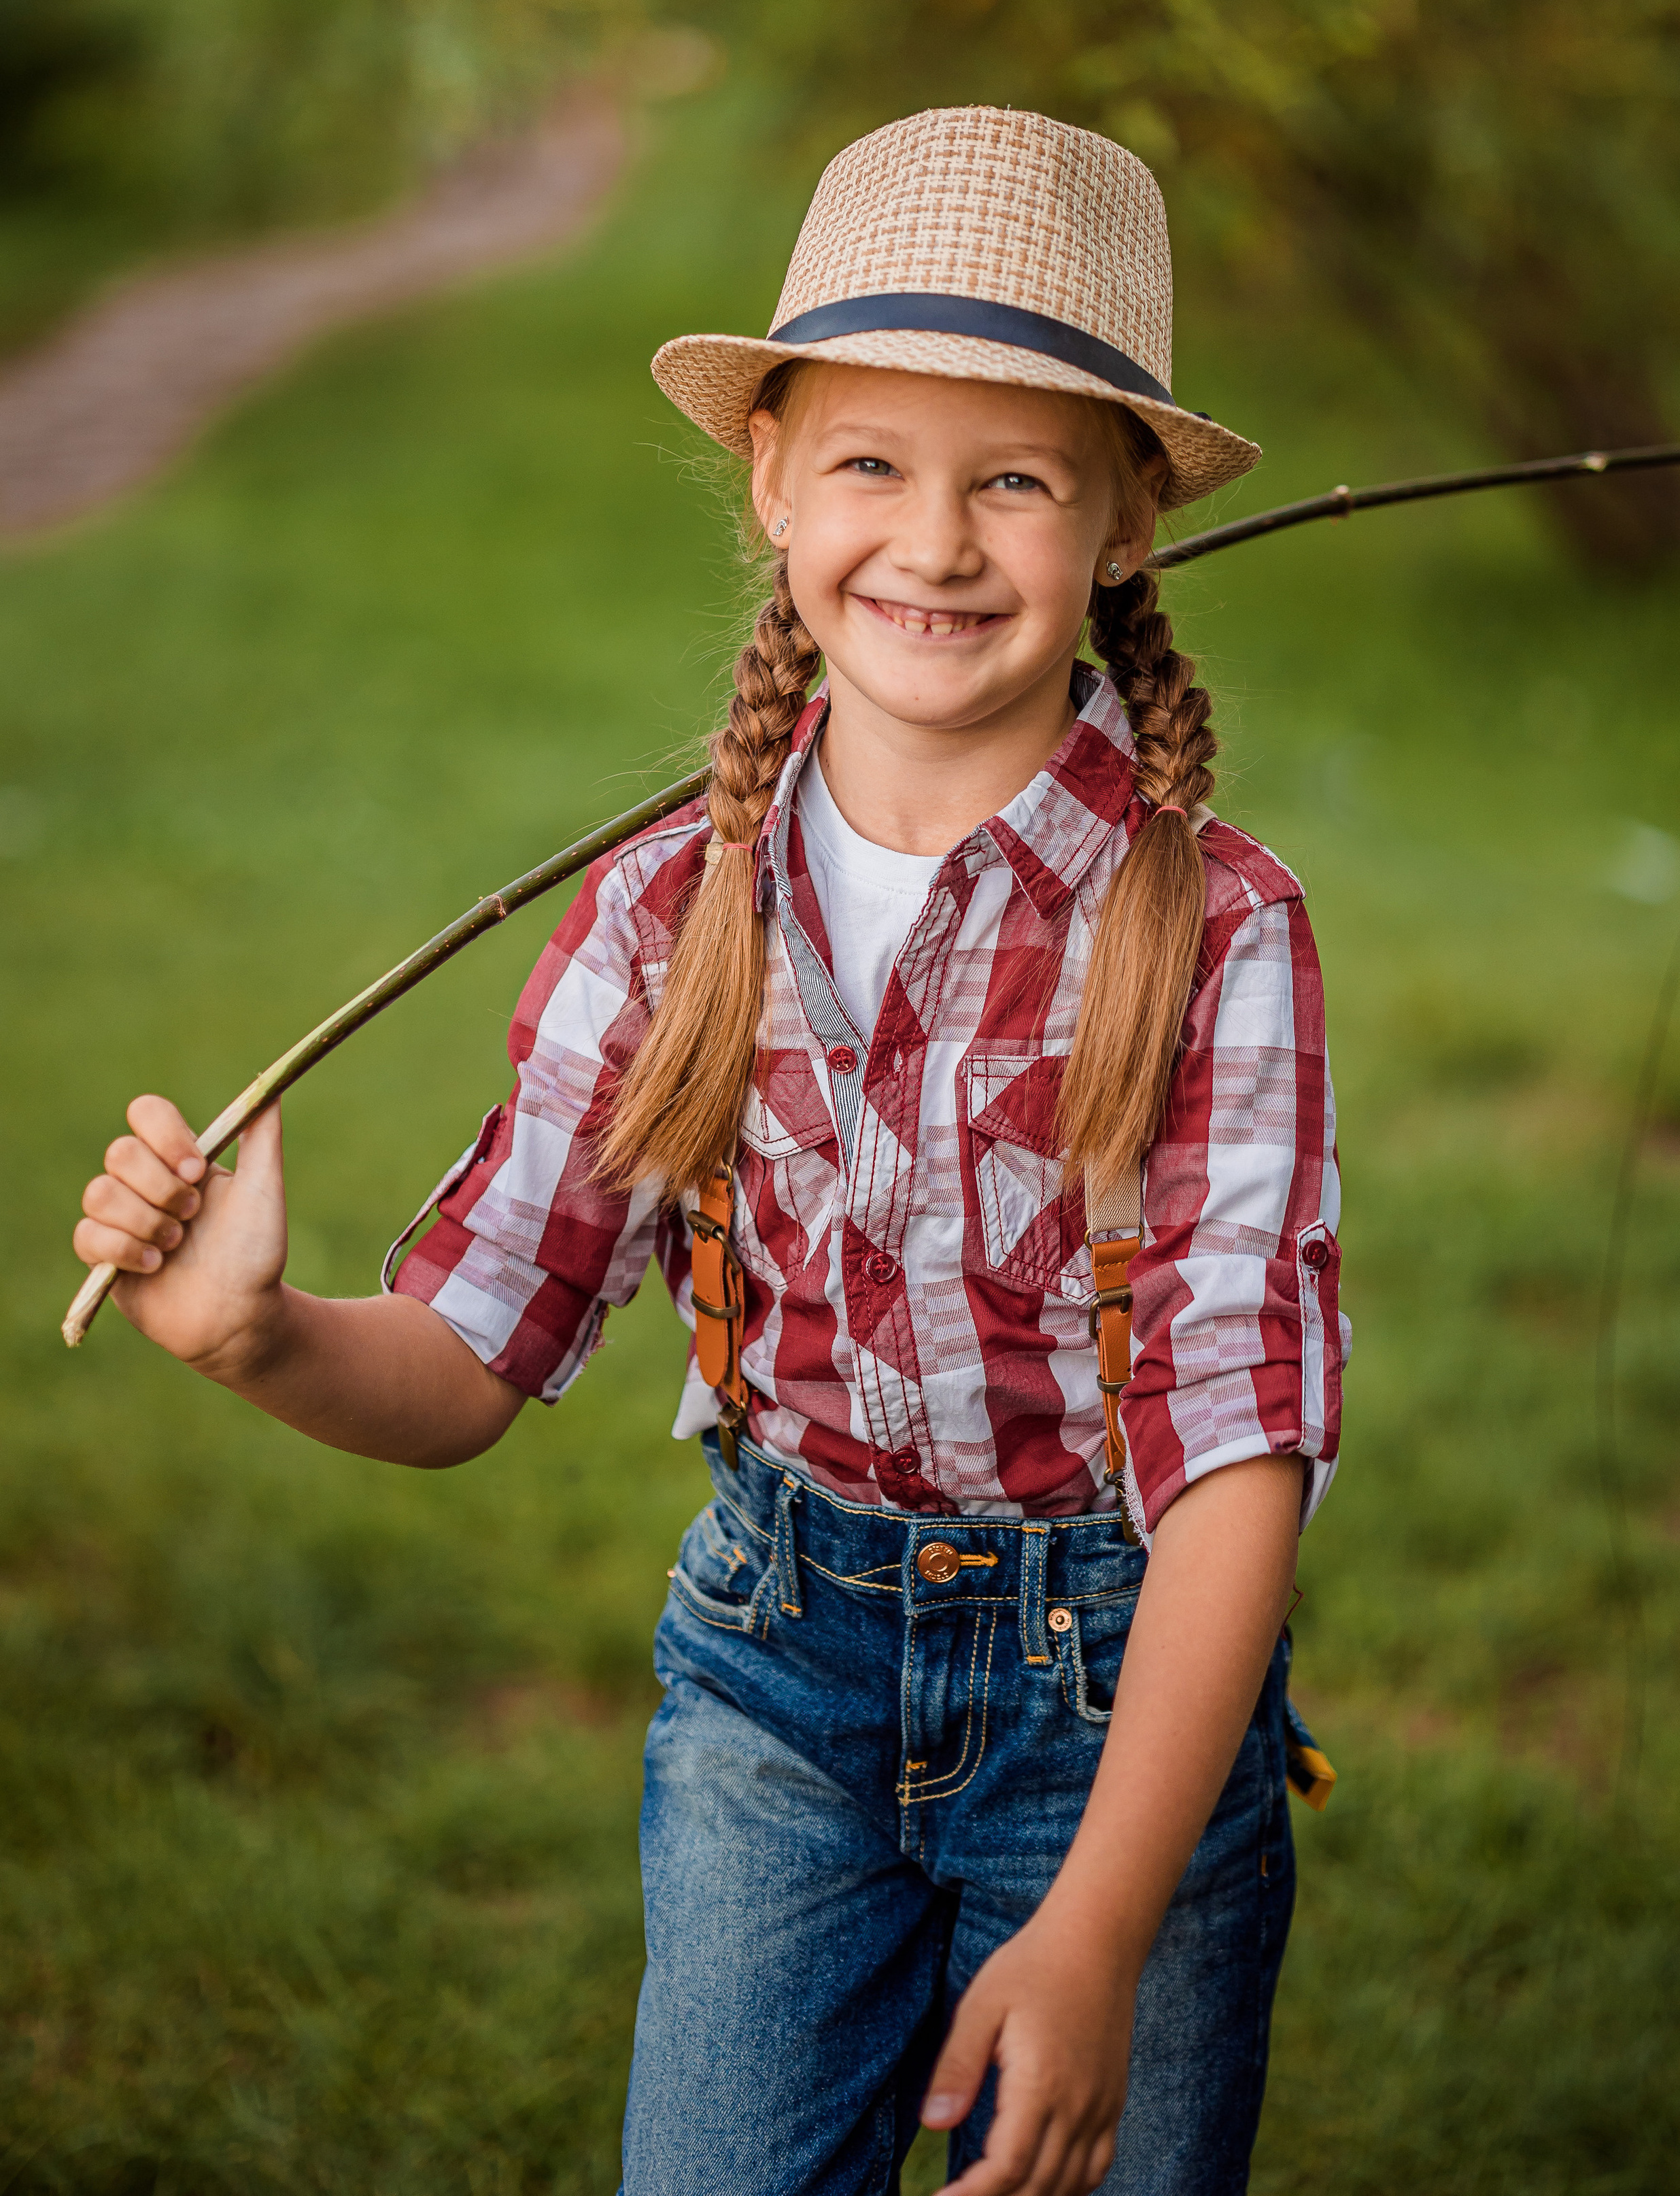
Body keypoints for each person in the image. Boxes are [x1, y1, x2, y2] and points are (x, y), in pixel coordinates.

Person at [72, 107, 1347, 2196]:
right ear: (769, 481)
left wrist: (1104, 1920)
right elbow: (472, 1355)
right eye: (869, 463)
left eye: (1013, 479)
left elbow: (1239, 1446)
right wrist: (256, 1340)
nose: (932, 544)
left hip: (1129, 1708)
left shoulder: (1215, 930)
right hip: (781, 1677)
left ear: (1123, 521)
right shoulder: (669, 918)